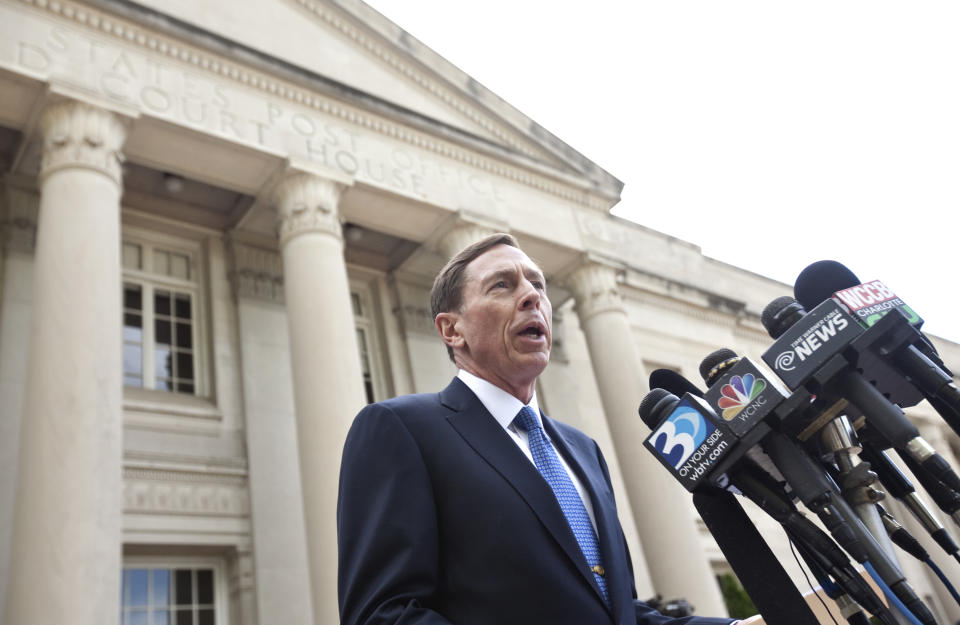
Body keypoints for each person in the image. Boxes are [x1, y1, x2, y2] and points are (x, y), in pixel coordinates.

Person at [338, 233, 753, 625]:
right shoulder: (401, 429)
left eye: (538, 284)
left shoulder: (582, 449)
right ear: (452, 329)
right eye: (502, 285)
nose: (532, 296)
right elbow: (384, 615)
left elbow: (618, 613)